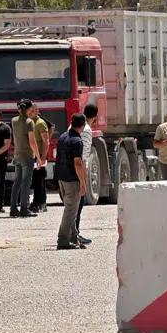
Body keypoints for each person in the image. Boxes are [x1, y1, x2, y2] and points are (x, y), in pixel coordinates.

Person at [54, 113, 89, 250]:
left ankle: (74, 238)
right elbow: (78, 163)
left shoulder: (63, 137)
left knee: (71, 210)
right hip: (71, 180)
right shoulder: (77, 141)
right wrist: (82, 182)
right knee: (70, 211)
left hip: (61, 179)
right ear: (84, 125)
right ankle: (62, 240)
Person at [10, 101, 48, 218]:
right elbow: (32, 141)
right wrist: (38, 156)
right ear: (28, 109)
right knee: (26, 183)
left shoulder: (14, 120)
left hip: (17, 155)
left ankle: (13, 208)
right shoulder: (29, 122)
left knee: (16, 183)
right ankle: (24, 208)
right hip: (27, 155)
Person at [73, 103, 97, 246]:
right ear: (95, 117)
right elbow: (83, 156)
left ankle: (74, 232)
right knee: (78, 203)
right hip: (80, 168)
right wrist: (84, 178)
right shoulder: (87, 131)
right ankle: (75, 233)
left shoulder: (78, 128)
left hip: (75, 168)